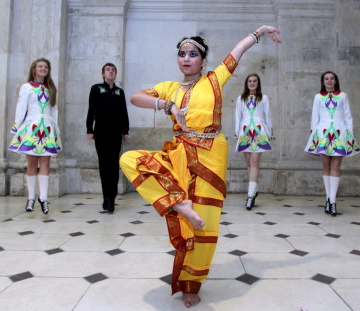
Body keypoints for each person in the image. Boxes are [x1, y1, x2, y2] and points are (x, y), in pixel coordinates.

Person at [119, 26, 281, 308]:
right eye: (182, 54)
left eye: (193, 54)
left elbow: (238, 51)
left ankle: (191, 284)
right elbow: (135, 98)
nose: (186, 58)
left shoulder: (215, 79)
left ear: (204, 60)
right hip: (181, 151)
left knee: (205, 225)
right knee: (129, 160)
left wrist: (260, 32)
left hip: (211, 154)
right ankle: (180, 204)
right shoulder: (170, 87)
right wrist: (165, 104)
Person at [9, 58, 62, 214]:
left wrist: (55, 129)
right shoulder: (26, 87)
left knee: (46, 164)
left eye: (46, 67)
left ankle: (44, 199)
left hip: (47, 128)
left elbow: (54, 111)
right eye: (40, 66)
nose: (43, 69)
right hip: (31, 128)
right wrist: (17, 127)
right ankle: (31, 197)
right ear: (34, 69)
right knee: (32, 164)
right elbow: (21, 107)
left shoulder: (51, 88)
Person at [305, 71, 360, 216]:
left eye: (332, 79)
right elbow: (314, 117)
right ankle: (328, 199)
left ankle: (333, 202)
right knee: (326, 165)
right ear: (323, 82)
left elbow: (348, 116)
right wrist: (313, 135)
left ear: (335, 81)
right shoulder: (318, 97)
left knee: (336, 165)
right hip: (323, 133)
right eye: (326, 79)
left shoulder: (343, 96)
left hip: (340, 132)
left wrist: (350, 134)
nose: (329, 81)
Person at [86, 63, 130, 213]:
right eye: (108, 70)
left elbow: (124, 112)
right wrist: (89, 129)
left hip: (115, 133)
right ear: (103, 73)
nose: (111, 72)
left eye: (113, 70)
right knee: (104, 165)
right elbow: (91, 109)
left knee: (113, 165)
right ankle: (106, 197)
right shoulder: (96, 89)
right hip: (101, 132)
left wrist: (126, 130)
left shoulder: (119, 92)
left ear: (115, 74)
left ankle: (112, 197)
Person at [234, 73, 273, 210]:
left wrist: (269, 133)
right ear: (246, 83)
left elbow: (267, 116)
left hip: (259, 131)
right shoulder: (241, 98)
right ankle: (253, 189)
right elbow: (238, 116)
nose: (252, 83)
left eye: (254, 81)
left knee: (255, 161)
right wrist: (237, 132)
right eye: (249, 81)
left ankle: (250, 195)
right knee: (248, 162)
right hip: (245, 131)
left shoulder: (264, 98)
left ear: (258, 83)